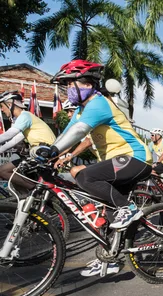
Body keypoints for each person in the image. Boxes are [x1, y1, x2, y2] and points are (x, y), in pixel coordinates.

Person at [35, 60, 153, 277]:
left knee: (85, 176)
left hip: (135, 158)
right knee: (108, 213)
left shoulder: (99, 103)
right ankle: (110, 259)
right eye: (66, 86)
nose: (68, 90)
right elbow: (67, 136)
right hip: (118, 162)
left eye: (71, 84)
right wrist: (51, 153)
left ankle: (129, 208)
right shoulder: (81, 110)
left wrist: (53, 152)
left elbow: (80, 131)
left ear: (87, 84)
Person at [0, 91, 57, 193]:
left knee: (5, 171)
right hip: (39, 152)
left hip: (44, 152)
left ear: (9, 104)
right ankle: (26, 200)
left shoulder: (24, 115)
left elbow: (9, 135)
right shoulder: (26, 118)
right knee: (9, 174)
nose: (1, 110)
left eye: (1, 106)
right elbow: (14, 140)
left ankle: (36, 192)